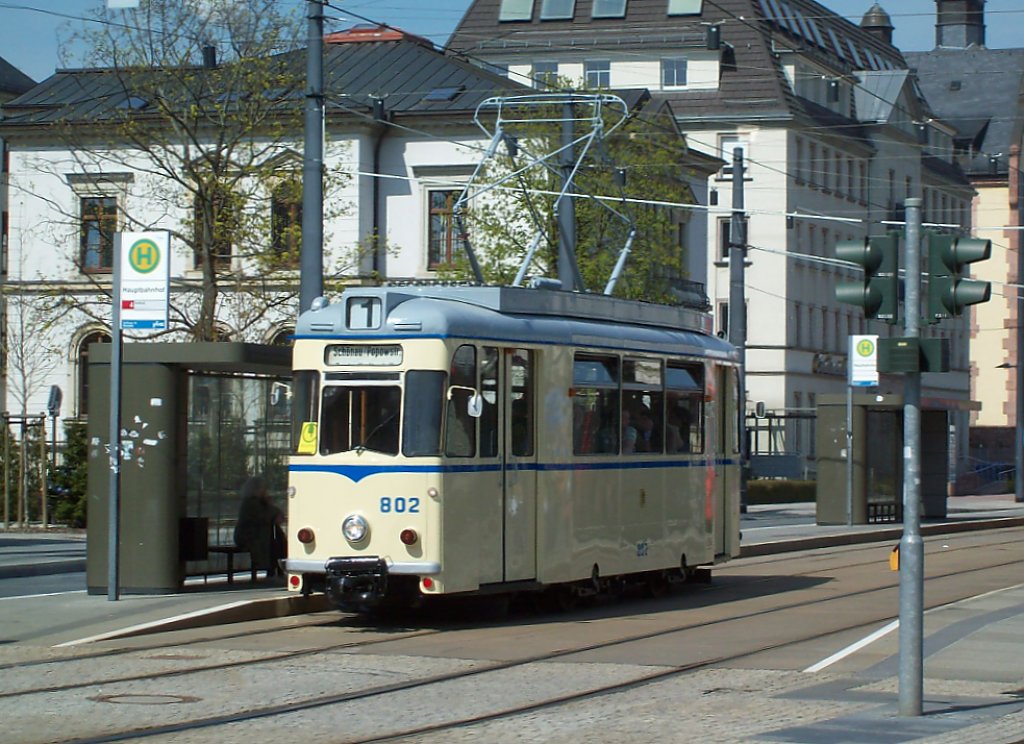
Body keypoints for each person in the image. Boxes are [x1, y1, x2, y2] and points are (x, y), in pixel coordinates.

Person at [234, 476, 286, 578]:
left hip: (259, 534)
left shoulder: (261, 502)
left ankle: (276, 567)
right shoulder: (250, 503)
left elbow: (277, 516)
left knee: (276, 536)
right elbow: (265, 517)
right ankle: (274, 567)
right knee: (273, 539)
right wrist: (270, 506)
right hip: (248, 536)